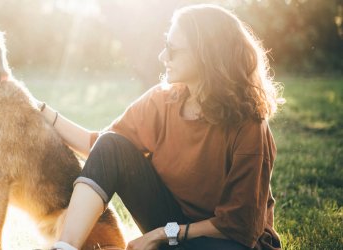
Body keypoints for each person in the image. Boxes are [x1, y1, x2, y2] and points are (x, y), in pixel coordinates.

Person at [38, 4, 283, 250]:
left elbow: (239, 226)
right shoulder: (163, 100)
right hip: (171, 228)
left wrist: (161, 235)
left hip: (228, 240)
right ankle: (65, 247)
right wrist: (39, 110)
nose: (162, 57)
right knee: (111, 143)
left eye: (173, 50)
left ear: (206, 55)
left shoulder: (249, 125)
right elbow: (101, 150)